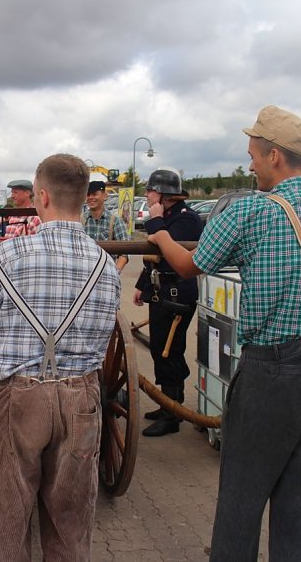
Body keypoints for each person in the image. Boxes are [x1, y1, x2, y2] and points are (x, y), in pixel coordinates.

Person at [148, 105, 301, 561]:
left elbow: (190, 266)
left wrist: (161, 238)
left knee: (241, 506)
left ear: (275, 157)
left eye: (253, 155)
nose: (249, 165)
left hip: (271, 374)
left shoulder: (250, 211)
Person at [0, 154, 120, 561]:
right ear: (85, 199)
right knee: (70, 524)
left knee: (5, 520)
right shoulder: (107, 265)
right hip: (81, 398)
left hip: (19, 398)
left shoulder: (11, 255)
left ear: (43, 196)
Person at [132, 168, 202, 437]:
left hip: (177, 296)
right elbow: (153, 258)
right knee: (161, 349)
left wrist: (156, 219)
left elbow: (163, 248)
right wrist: (141, 286)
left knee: (169, 352)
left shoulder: (187, 220)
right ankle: (168, 405)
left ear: (161, 194)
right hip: (161, 292)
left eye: (149, 191)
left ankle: (173, 414)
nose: (147, 195)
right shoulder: (170, 217)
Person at [82, 180, 129, 272]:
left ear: (105, 196)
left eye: (94, 194)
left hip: (107, 273)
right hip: (85, 275)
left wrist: (115, 273)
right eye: (88, 195)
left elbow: (125, 252)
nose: (91, 197)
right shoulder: (81, 220)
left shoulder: (115, 221)